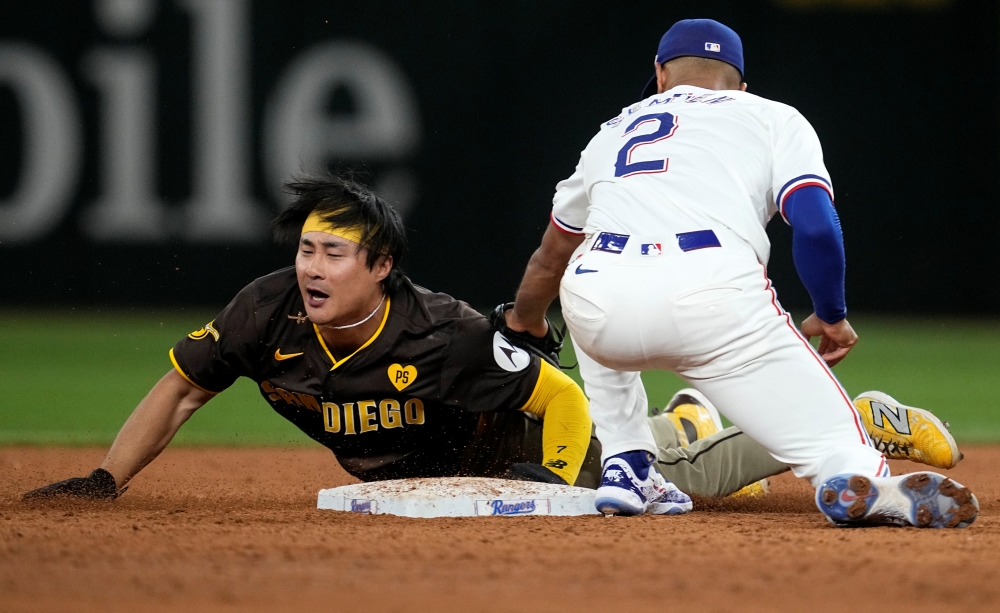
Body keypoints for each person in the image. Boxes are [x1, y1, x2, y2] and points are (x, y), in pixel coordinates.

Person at [23, 174, 961, 508]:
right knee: (678, 442)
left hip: (545, 445)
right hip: (463, 470)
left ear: (381, 264)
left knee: (689, 478)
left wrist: (560, 496)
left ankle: (857, 420)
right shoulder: (262, 314)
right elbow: (182, 386)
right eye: (306, 247)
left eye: (334, 252)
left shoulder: (441, 330)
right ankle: (685, 411)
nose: (311, 266)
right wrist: (109, 479)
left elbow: (555, 394)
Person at [504, 19, 979, 528]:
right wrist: (831, 313)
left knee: (590, 267)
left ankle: (626, 462)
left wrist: (523, 320)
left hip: (598, 302)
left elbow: (552, 256)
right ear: (741, 85)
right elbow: (817, 229)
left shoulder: (611, 131)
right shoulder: (772, 117)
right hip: (712, 296)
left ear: (661, 74)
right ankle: (851, 474)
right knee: (837, 447)